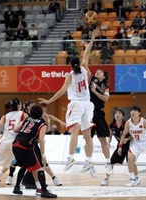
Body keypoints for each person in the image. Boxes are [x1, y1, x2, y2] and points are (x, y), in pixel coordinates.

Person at [38, 27, 100, 172]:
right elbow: (87, 52)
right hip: (88, 104)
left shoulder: (70, 76)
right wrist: (92, 38)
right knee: (87, 135)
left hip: (77, 104)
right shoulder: (84, 68)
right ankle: (89, 161)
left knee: (74, 133)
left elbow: (61, 92)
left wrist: (48, 101)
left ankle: (71, 157)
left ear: (70, 65)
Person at [12, 105, 57, 198]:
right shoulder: (42, 123)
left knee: (24, 166)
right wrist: (43, 155)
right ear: (41, 114)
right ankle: (44, 191)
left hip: (16, 144)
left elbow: (16, 129)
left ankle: (17, 187)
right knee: (39, 167)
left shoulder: (27, 119)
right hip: (26, 146)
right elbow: (41, 139)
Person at [0, 98, 28, 190]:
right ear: (19, 106)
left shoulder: (5, 116)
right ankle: (25, 184)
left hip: (5, 141)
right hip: (16, 142)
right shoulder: (23, 114)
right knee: (26, 162)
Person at [88, 67, 113, 177]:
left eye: (100, 72)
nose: (98, 72)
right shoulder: (91, 78)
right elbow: (84, 65)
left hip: (98, 113)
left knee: (103, 139)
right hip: (88, 112)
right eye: (97, 71)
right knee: (88, 139)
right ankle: (89, 163)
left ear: (103, 76)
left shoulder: (105, 87)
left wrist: (95, 92)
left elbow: (105, 99)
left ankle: (108, 163)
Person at [100, 109, 131, 186]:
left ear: (123, 116)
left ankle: (133, 178)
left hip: (130, 144)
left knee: (130, 162)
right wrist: (108, 142)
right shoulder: (111, 126)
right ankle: (106, 179)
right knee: (111, 161)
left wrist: (127, 139)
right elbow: (110, 136)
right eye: (116, 113)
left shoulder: (126, 124)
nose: (117, 114)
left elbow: (132, 135)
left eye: (119, 113)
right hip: (120, 145)